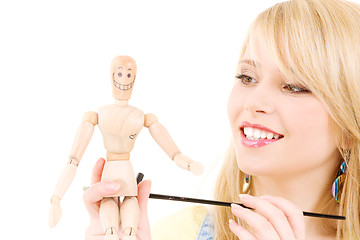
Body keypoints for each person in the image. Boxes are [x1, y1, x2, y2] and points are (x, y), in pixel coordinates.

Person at [83, 0, 360, 239]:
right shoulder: (171, 234)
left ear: (349, 122)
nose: (253, 102)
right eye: (247, 78)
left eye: (295, 86)